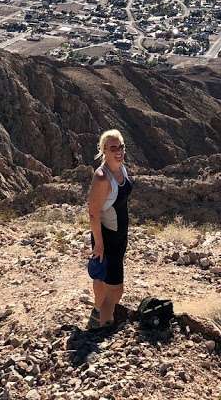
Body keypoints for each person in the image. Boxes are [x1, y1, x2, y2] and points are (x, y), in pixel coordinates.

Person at [86, 129, 132, 328]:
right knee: (115, 287)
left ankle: (98, 315)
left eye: (121, 146)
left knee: (105, 278)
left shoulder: (121, 168)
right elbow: (93, 213)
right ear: (104, 149)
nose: (119, 151)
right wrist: (99, 244)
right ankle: (102, 326)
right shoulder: (102, 178)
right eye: (113, 148)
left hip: (120, 236)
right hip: (107, 238)